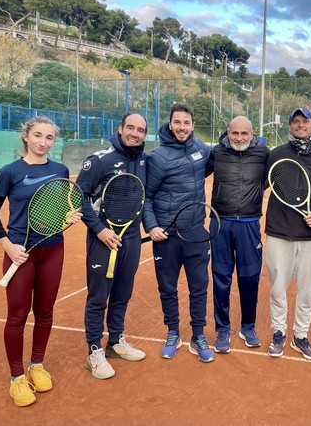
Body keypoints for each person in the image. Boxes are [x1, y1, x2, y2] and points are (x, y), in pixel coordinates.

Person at [0, 116, 82, 407]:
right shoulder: (9, 171)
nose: (43, 142)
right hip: (19, 252)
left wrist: (68, 216)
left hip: (52, 249)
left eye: (49, 138)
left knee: (45, 311)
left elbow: (59, 208)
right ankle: (16, 378)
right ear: (25, 136)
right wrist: (8, 246)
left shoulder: (60, 170)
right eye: (37, 135)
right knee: (17, 315)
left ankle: (36, 365)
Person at [76, 112, 148, 380]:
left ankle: (115, 342)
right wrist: (100, 230)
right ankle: (94, 352)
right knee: (98, 297)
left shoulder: (143, 160)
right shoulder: (99, 160)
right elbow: (78, 196)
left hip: (130, 238)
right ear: (120, 129)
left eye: (140, 130)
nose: (135, 133)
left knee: (122, 293)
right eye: (130, 127)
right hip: (103, 240)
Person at [143, 102, 214, 363]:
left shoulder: (202, 149)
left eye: (186, 123)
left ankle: (198, 334)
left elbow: (230, 151)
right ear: (170, 124)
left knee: (199, 287)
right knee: (168, 288)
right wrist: (152, 226)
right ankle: (173, 332)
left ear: (193, 125)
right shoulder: (158, 157)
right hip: (167, 236)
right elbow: (147, 196)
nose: (182, 127)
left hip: (195, 231)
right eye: (177, 122)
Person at [264, 106, 311, 359]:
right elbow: (262, 182)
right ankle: (279, 332)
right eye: (296, 121)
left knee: (307, 290)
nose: (300, 125)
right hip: (278, 233)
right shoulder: (276, 154)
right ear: (290, 126)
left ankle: (300, 336)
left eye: (305, 121)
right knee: (277, 288)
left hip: (309, 237)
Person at [205, 116, 270, 353]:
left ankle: (248, 327)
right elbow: (193, 172)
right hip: (220, 224)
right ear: (228, 133)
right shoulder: (216, 153)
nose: (239, 138)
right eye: (235, 133)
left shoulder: (264, 154)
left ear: (252, 134)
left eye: (244, 134)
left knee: (249, 278)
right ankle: (223, 330)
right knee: (221, 278)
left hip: (250, 224)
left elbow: (283, 168)